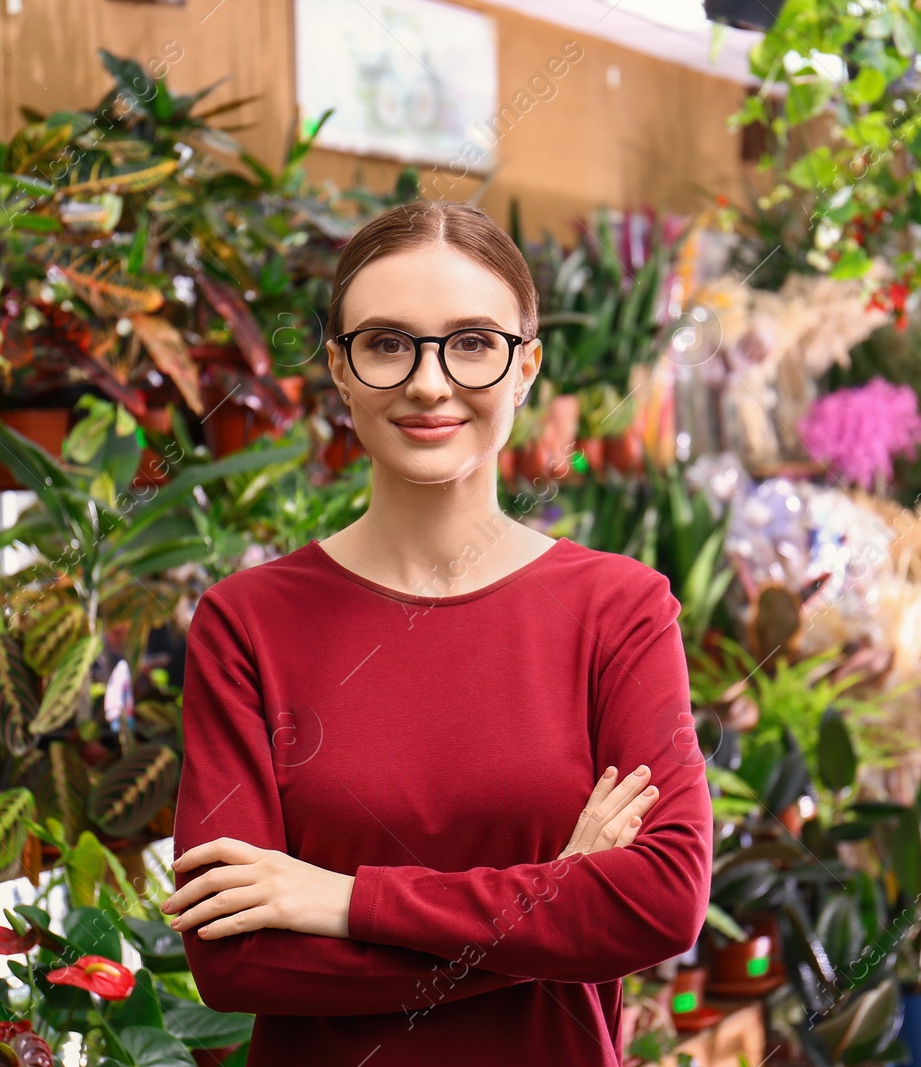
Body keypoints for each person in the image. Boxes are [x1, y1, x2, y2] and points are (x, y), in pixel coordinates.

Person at [161, 199, 713, 1065]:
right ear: (340, 370)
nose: (428, 382)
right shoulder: (248, 621)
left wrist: (344, 901)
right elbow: (235, 959)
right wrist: (552, 907)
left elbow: (659, 903)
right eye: (387, 343)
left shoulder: (621, 610)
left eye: (472, 343)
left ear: (526, 366)